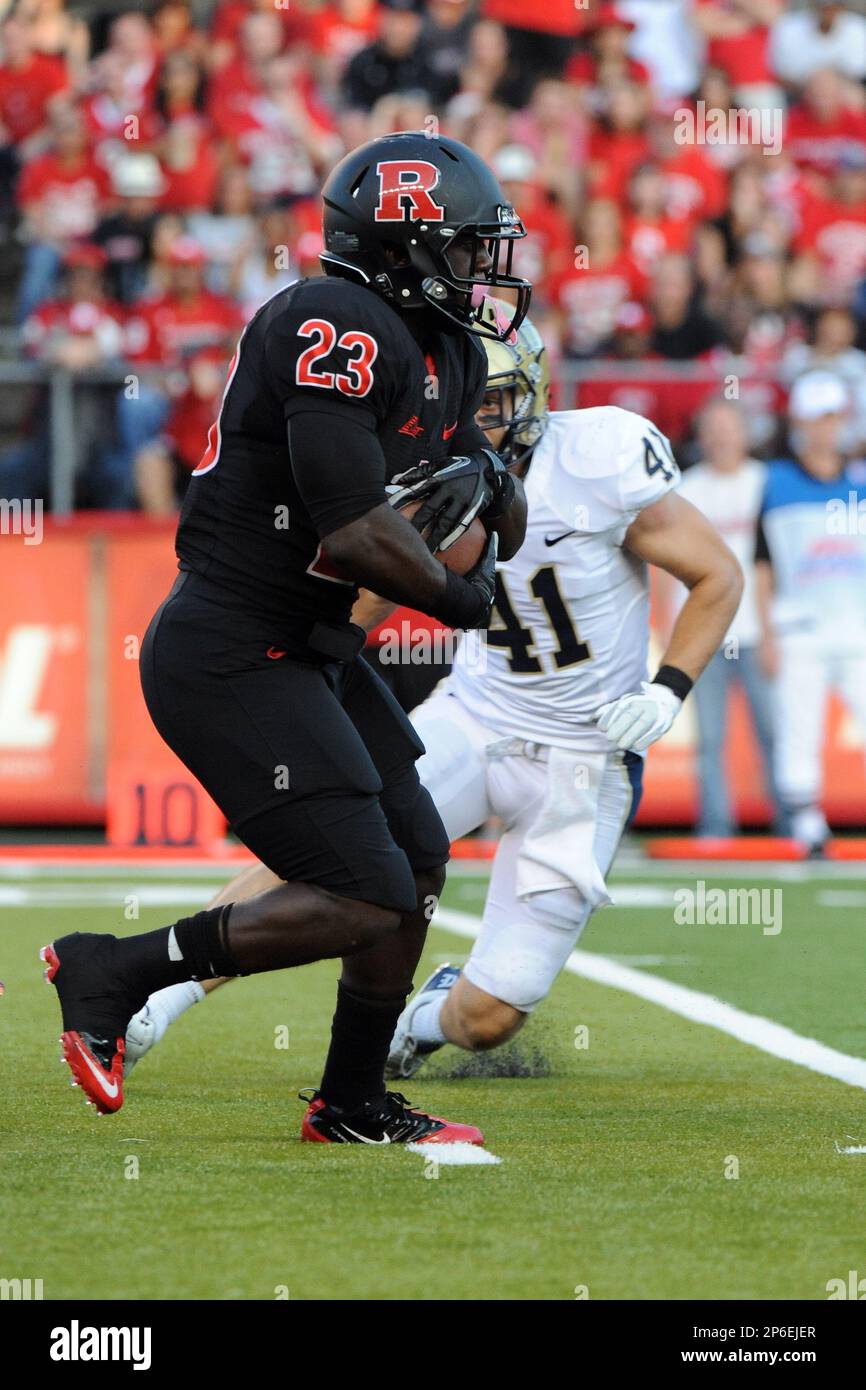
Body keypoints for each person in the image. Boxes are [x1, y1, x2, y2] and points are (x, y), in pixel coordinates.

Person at [42, 132, 532, 1148]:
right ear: (398, 248)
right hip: (230, 640)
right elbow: (353, 525)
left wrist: (492, 486)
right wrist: (462, 598)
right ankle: (113, 968)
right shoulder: (331, 319)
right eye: (460, 247)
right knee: (361, 892)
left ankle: (350, 1105)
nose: (481, 270)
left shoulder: (438, 347)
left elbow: (491, 492)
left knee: (417, 858)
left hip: (306, 643)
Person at [122, 299, 742, 1081]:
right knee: (336, 840)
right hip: (478, 718)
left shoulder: (602, 456)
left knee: (489, 1019)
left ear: (537, 391)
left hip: (586, 757)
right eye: (468, 401)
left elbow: (717, 574)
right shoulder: (426, 468)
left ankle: (424, 1017)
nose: (482, 418)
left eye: (498, 399)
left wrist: (667, 691)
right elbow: (365, 596)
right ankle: (163, 996)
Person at [755, 370, 866, 854]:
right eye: (816, 418)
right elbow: (762, 564)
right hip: (799, 627)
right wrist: (767, 632)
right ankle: (807, 826)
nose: (825, 428)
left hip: (857, 627)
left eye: (832, 417)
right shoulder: (774, 482)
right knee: (799, 728)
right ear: (799, 421)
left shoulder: (860, 484)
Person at [676, 397, 781, 837]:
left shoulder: (766, 482)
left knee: (776, 736)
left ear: (745, 433)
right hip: (705, 634)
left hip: (759, 632)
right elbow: (667, 566)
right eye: (713, 428)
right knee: (711, 742)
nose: (721, 437)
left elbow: (773, 563)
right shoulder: (687, 487)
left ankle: (793, 826)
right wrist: (671, 628)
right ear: (703, 436)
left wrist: (774, 629)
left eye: (728, 427)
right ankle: (715, 832)